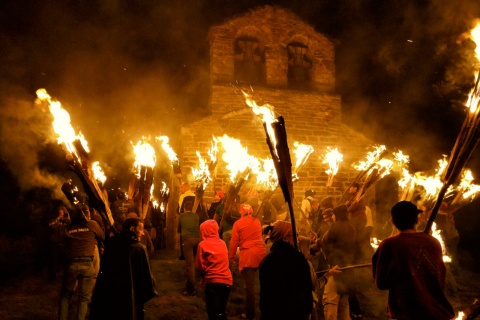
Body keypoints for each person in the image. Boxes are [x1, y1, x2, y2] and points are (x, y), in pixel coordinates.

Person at [372, 201, 455, 320]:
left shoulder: (390, 245)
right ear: (417, 220)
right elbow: (441, 275)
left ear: (393, 221)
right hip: (437, 311)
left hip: (407, 312)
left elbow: (381, 282)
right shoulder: (433, 242)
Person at [90, 217, 157, 320]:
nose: (143, 233)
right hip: (130, 295)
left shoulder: (111, 244)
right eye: (141, 229)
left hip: (111, 296)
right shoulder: (139, 249)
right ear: (132, 229)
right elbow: (146, 279)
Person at [58, 203, 104, 320]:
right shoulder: (92, 225)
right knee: (84, 298)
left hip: (71, 264)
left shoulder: (67, 227)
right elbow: (102, 236)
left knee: (66, 295)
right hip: (87, 263)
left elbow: (61, 240)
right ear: (85, 213)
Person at [259, 220, 313, 320]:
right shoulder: (298, 259)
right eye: (295, 235)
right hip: (295, 313)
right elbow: (306, 288)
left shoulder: (266, 261)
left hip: (271, 314)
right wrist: (308, 310)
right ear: (285, 238)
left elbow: (264, 295)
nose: (298, 239)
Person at [229, 204, 266, 320]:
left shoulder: (238, 224)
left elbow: (234, 242)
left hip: (249, 255)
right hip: (261, 253)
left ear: (241, 212)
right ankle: (266, 311)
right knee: (263, 285)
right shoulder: (257, 221)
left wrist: (231, 257)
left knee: (249, 287)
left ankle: (250, 314)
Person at [321, 205, 356, 320]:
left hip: (335, 268)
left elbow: (325, 243)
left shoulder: (335, 227)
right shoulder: (351, 227)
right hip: (348, 268)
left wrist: (328, 259)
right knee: (344, 304)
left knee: (331, 301)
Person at [196, 219, 233, 320]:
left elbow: (200, 265)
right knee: (221, 311)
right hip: (227, 281)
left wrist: (203, 277)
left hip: (212, 282)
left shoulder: (203, 244)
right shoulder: (223, 243)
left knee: (212, 312)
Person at [178, 200, 202, 296]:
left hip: (187, 240)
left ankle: (191, 288)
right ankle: (193, 279)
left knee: (190, 264)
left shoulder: (182, 216)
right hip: (197, 239)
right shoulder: (196, 216)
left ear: (184, 208)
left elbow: (179, 229)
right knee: (195, 261)